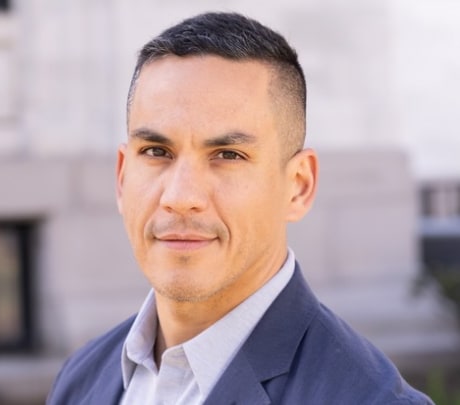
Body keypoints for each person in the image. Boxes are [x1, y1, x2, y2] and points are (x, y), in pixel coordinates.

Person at [48, 12, 433, 404]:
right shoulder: (82, 378)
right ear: (122, 177)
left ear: (298, 186)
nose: (180, 196)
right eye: (156, 151)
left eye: (228, 155)